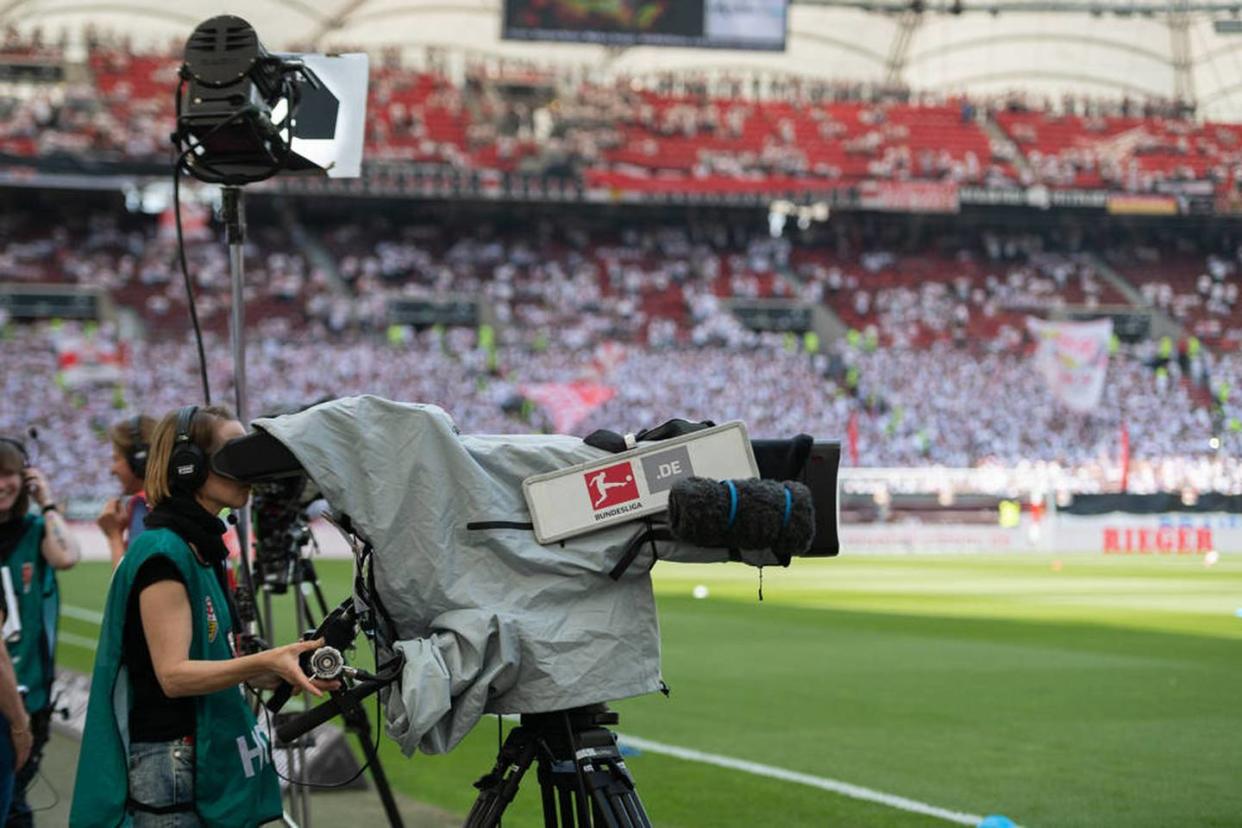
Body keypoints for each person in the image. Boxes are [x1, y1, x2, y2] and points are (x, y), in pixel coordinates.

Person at [70, 406, 335, 827]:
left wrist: (283, 670)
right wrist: (264, 660)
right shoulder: (164, 551)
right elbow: (173, 676)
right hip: (170, 766)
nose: (248, 467)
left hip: (191, 757)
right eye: (234, 452)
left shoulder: (202, 548)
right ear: (188, 467)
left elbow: (213, 661)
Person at [0, 437, 80, 828]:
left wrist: (46, 500)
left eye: (10, 474)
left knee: (13, 799)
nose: (2, 484)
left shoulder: (34, 530)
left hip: (28, 693)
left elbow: (67, 556)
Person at [97, 415, 156, 568]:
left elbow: (129, 586)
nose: (112, 469)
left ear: (140, 461)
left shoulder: (143, 504)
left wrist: (114, 536)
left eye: (116, 459)